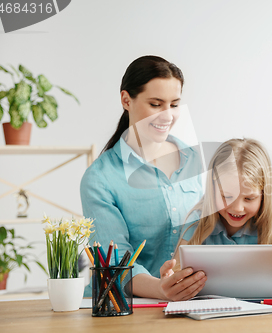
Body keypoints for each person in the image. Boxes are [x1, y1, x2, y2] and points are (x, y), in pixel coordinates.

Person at [80, 55, 206, 301]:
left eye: (174, 104)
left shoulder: (195, 160)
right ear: (126, 100)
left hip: (193, 301)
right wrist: (162, 289)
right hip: (127, 306)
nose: (167, 116)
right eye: (156, 104)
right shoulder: (100, 179)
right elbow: (114, 264)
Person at [172, 138, 272, 298]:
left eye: (249, 199)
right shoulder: (197, 220)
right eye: (226, 196)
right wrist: (175, 282)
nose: (237, 208)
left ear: (263, 196)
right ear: (212, 190)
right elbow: (176, 272)